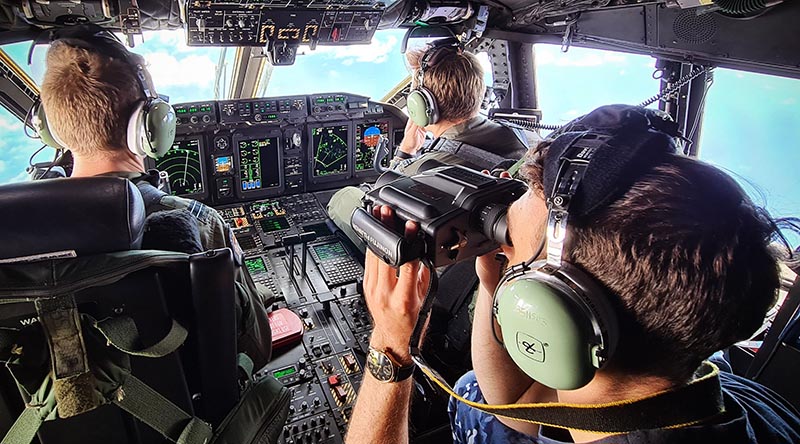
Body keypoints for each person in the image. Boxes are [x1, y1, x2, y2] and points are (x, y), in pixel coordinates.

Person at [346, 105, 800, 443]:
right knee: (473, 390)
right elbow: (515, 408)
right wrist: (497, 282)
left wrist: (390, 343)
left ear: (561, 310)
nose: (504, 245)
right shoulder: (715, 388)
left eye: (514, 245)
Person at [38, 26, 272, 369]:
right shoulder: (200, 221)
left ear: (53, 128)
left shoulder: (15, 235)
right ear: (151, 125)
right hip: (188, 415)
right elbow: (256, 348)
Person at [328, 39, 534, 252]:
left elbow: (377, 199)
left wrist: (405, 153)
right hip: (507, 249)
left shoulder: (427, 169)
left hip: (451, 264)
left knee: (343, 198)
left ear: (421, 104)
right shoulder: (525, 135)